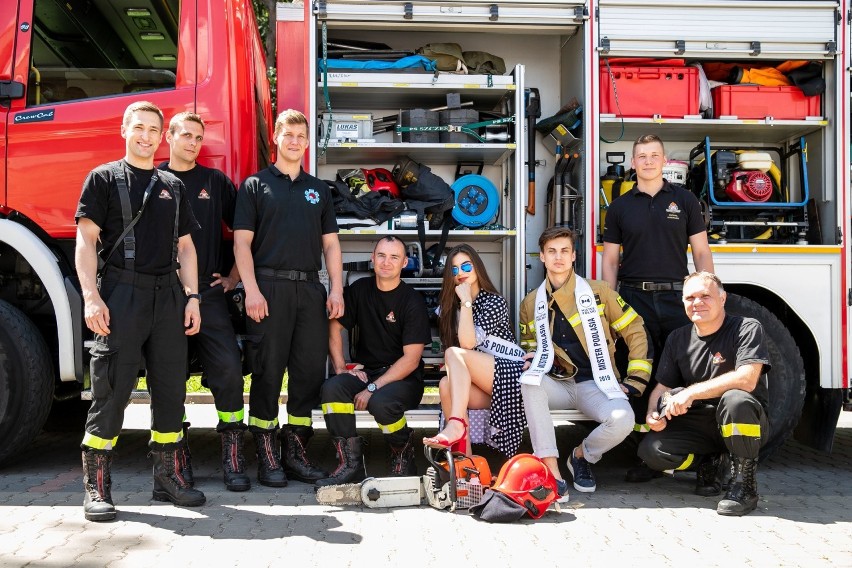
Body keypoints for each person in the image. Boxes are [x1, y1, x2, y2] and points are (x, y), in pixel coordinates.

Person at [75, 101, 205, 521]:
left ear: (161, 135)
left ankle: (167, 480)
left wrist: (192, 296)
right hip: (122, 295)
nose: (147, 136)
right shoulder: (103, 179)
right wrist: (91, 297)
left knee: (171, 392)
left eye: (154, 129)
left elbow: (185, 247)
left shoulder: (173, 185)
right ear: (124, 130)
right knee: (111, 391)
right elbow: (85, 242)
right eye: (140, 128)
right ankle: (97, 486)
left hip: (168, 296)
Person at [233, 109, 343, 486]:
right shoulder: (254, 186)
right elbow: (241, 243)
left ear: (308, 142)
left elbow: (331, 245)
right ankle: (266, 458)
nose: (295, 141)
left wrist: (336, 287)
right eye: (288, 134)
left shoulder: (320, 190)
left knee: (308, 374)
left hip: (310, 291)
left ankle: (295, 453)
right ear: (276, 138)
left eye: (301, 135)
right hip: (268, 290)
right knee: (267, 372)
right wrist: (251, 290)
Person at [601, 134, 714, 481]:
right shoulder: (620, 207)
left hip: (676, 298)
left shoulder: (685, 200)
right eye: (641, 156)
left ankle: (701, 456)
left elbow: (701, 251)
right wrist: (609, 305)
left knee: (686, 373)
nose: (647, 162)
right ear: (633, 163)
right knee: (639, 375)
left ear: (665, 161)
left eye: (654, 156)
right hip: (633, 299)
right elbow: (610, 261)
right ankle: (646, 455)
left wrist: (708, 290)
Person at [520, 226, 652, 497]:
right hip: (559, 386)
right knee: (530, 382)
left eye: (564, 251)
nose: (558, 257)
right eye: (552, 251)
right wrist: (532, 359)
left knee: (623, 420)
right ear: (542, 257)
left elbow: (635, 328)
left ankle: (581, 456)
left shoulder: (599, 291)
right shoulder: (530, 304)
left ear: (574, 256)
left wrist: (636, 378)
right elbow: (529, 347)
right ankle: (550, 469)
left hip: (596, 384)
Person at [160, 111, 249, 492]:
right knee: (168, 377)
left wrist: (232, 276)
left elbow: (246, 233)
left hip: (209, 293)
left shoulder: (215, 182)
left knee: (228, 368)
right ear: (170, 136)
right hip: (165, 295)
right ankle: (175, 460)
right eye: (186, 135)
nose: (193, 143)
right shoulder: (153, 181)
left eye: (198, 137)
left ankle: (232, 455)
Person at [638, 272, 770, 516]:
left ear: (722, 298)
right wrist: (652, 413)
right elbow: (662, 386)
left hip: (740, 419)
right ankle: (709, 461)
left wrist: (690, 393)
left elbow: (747, 379)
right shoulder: (678, 338)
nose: (697, 302)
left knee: (736, 399)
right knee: (651, 451)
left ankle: (744, 485)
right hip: (701, 423)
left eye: (705, 296)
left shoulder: (747, 328)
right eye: (690, 298)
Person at [316, 236, 431, 486]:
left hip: (403, 378)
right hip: (367, 372)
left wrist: (373, 387)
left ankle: (402, 453)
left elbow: (411, 360)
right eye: (381, 255)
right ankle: (350, 464)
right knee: (332, 389)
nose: (386, 262)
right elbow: (333, 326)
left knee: (381, 403)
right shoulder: (359, 291)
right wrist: (340, 369)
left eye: (394, 257)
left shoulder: (412, 301)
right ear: (373, 259)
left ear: (404, 263)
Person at [422, 244, 526, 457]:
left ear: (477, 268)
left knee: (453, 353)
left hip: (510, 379)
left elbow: (468, 344)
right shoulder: (451, 308)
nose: (460, 273)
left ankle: (456, 424)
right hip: (488, 385)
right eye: (454, 269)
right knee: (444, 384)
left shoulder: (494, 302)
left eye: (466, 267)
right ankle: (465, 462)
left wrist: (467, 302)